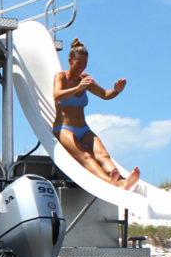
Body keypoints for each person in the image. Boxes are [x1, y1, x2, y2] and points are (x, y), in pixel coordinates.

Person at [52, 38, 140, 190]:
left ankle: (119, 179)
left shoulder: (85, 79)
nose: (82, 67)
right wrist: (78, 88)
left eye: (84, 64)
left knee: (103, 155)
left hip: (83, 128)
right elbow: (57, 95)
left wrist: (116, 91)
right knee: (85, 156)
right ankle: (112, 182)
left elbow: (105, 94)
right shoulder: (61, 77)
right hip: (64, 128)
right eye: (78, 63)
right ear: (70, 60)